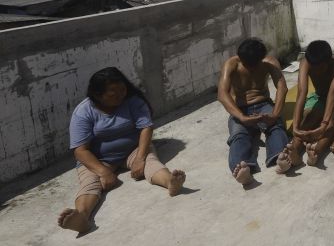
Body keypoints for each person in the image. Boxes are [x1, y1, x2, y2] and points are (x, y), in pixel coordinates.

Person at [58, 67, 186, 234]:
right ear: (98, 94)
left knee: (151, 163)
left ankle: (170, 182)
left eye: (122, 89)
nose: (120, 95)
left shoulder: (133, 101)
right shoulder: (83, 112)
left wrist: (140, 158)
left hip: (132, 150)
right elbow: (80, 151)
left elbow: (146, 128)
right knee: (90, 182)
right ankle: (82, 217)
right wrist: (103, 172)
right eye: (113, 93)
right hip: (97, 159)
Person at [217, 38, 292, 185]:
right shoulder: (232, 64)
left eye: (255, 64)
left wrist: (274, 114)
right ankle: (242, 169)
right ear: (240, 57)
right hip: (240, 108)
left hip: (263, 103)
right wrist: (241, 117)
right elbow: (222, 94)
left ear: (261, 59)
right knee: (239, 135)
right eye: (247, 65)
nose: (251, 68)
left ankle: (280, 158)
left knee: (276, 127)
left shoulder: (269, 62)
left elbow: (282, 87)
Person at [289, 40, 334, 166]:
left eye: (320, 67)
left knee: (332, 122)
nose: (316, 71)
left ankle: (315, 152)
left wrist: (324, 124)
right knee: (308, 119)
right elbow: (302, 93)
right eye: (314, 67)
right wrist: (295, 127)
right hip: (319, 96)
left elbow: (333, 94)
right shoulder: (305, 62)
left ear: (328, 62)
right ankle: (292, 152)